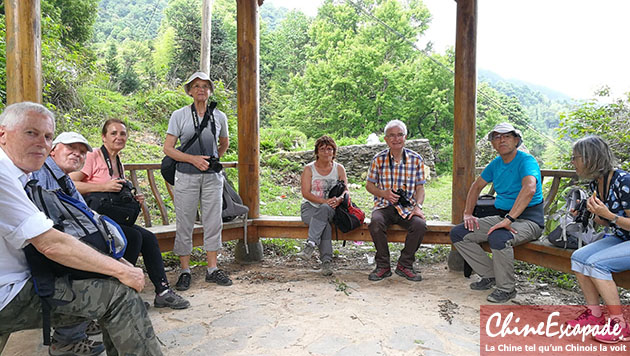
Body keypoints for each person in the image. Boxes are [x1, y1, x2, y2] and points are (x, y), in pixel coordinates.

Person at [0, 102, 162, 355]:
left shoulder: (24, 174)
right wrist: (120, 269)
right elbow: (51, 243)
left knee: (134, 245)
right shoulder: (6, 175)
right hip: (9, 292)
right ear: (3, 135)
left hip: (23, 274)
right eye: (30, 133)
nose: (42, 143)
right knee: (118, 295)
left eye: (47, 136)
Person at [69, 120, 189, 309]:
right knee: (133, 236)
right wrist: (103, 186)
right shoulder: (93, 156)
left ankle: (162, 291)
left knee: (148, 237)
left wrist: (132, 198)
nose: (119, 137)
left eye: (123, 134)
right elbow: (71, 184)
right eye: (113, 133)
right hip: (93, 221)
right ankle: (122, 294)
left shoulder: (117, 160)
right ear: (103, 137)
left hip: (113, 219)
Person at [449, 122, 544, 303]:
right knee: (459, 233)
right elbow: (476, 186)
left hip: (528, 220)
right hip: (502, 216)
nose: (501, 140)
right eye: (497, 137)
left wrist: (510, 219)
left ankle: (506, 288)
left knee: (499, 237)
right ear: (492, 143)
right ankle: (490, 275)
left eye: (507, 136)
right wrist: (468, 213)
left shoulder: (526, 161)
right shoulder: (496, 164)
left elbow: (530, 188)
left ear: (516, 140)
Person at [31, 132, 102, 355]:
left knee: (112, 246)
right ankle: (67, 340)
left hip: (58, 237)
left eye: (82, 152)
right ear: (53, 149)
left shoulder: (63, 178)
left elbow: (85, 211)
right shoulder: (40, 172)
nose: (77, 154)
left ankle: (83, 316)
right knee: (90, 261)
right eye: (71, 148)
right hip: (39, 244)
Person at [163, 71, 232, 291]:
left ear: (210, 91)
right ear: (190, 91)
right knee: (185, 221)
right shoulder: (179, 115)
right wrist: (193, 159)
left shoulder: (219, 116)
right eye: (196, 86)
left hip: (212, 177)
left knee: (213, 220)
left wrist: (213, 160)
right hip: (185, 175)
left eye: (205, 86)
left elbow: (224, 143)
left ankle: (212, 268)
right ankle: (185, 270)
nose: (201, 90)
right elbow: (168, 149)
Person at [564, 136, 630, 343]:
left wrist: (610, 215)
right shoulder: (598, 183)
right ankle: (595, 316)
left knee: (596, 264)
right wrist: (592, 213)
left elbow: (615, 218)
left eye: (575, 158)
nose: (573, 162)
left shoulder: (623, 181)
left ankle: (620, 325)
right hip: (622, 237)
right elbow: (605, 222)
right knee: (579, 257)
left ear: (590, 158)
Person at [365, 120, 427, 282]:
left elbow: (420, 188)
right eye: (392, 135)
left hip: (407, 208)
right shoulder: (378, 159)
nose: (396, 139)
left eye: (400, 135)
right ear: (386, 139)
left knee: (419, 224)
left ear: (405, 137)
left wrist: (418, 207)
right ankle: (383, 265)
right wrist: (383, 193)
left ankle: (405, 265)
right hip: (384, 205)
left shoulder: (416, 159)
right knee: (375, 222)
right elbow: (369, 185)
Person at [297, 136, 348, 276]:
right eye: (323, 149)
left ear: (334, 152)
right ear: (317, 152)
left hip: (332, 208)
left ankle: (310, 244)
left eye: (329, 149)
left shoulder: (339, 169)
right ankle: (326, 262)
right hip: (310, 207)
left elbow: (345, 190)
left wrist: (339, 199)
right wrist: (324, 201)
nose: (326, 152)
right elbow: (305, 193)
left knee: (325, 210)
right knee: (323, 223)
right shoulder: (309, 169)